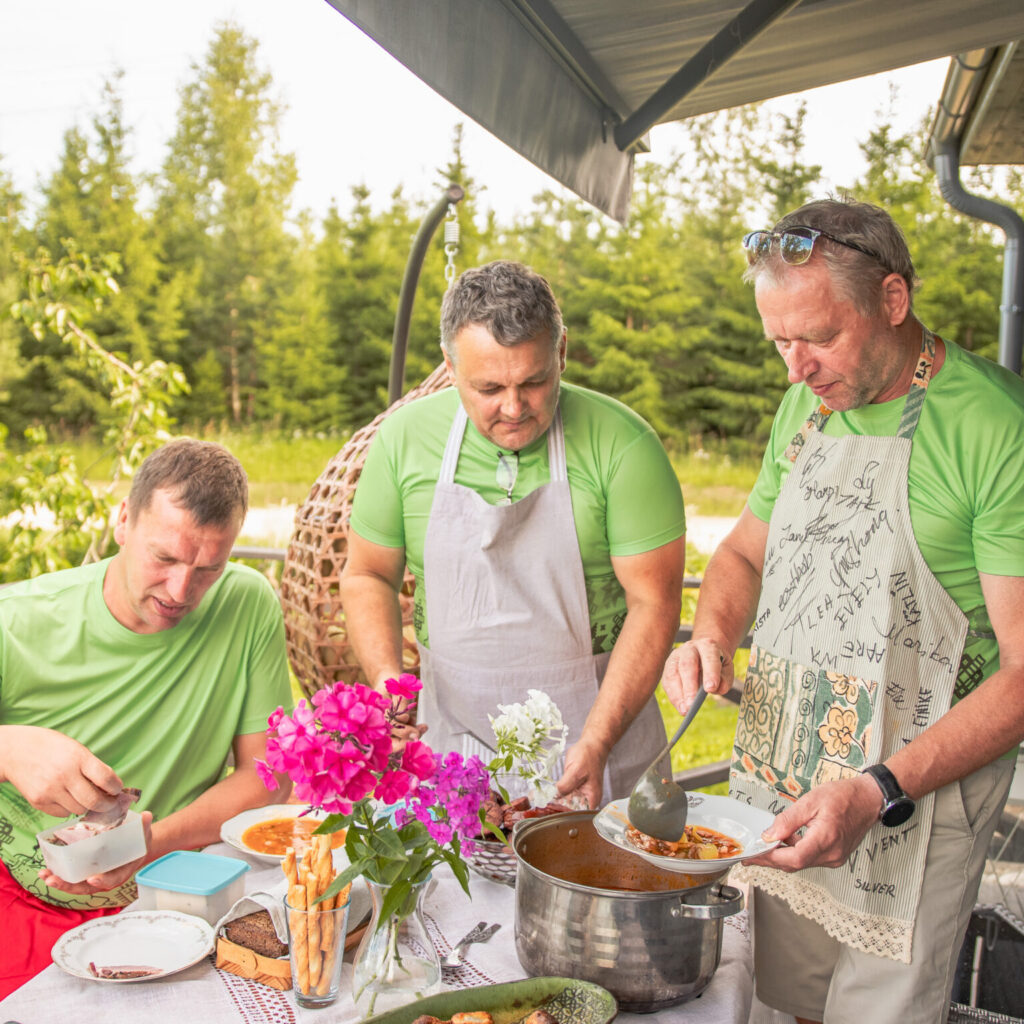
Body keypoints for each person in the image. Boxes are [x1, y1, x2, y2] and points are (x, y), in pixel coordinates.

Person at [662, 198, 1024, 1024]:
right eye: (780, 342)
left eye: (820, 337)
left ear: (893, 301)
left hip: (915, 792)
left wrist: (878, 788)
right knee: (778, 998)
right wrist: (711, 635)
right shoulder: (807, 404)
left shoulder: (999, 429)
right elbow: (742, 554)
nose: (797, 368)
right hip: (790, 772)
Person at [340, 260, 685, 809]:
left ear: (562, 352)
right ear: (450, 367)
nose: (513, 407)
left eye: (534, 381)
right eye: (489, 387)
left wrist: (595, 740)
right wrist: (388, 681)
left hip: (597, 742)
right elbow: (366, 575)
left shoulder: (623, 444)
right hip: (451, 744)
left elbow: (655, 603)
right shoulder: (403, 440)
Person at [0, 439, 292, 996]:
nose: (182, 591)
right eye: (164, 559)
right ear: (122, 521)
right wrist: (8, 748)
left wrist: (151, 845)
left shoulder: (248, 604)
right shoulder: (14, 622)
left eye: (209, 568)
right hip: (21, 893)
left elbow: (269, 774)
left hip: (177, 890)